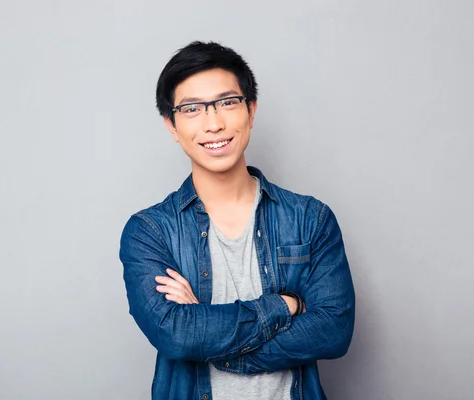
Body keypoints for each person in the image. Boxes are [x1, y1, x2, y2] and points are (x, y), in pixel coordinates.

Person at [119, 41, 355, 400]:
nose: (214, 124)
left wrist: (212, 336)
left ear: (251, 110)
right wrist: (288, 305)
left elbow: (334, 330)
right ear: (171, 124)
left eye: (228, 103)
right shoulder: (150, 232)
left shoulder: (310, 218)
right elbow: (177, 335)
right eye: (192, 108)